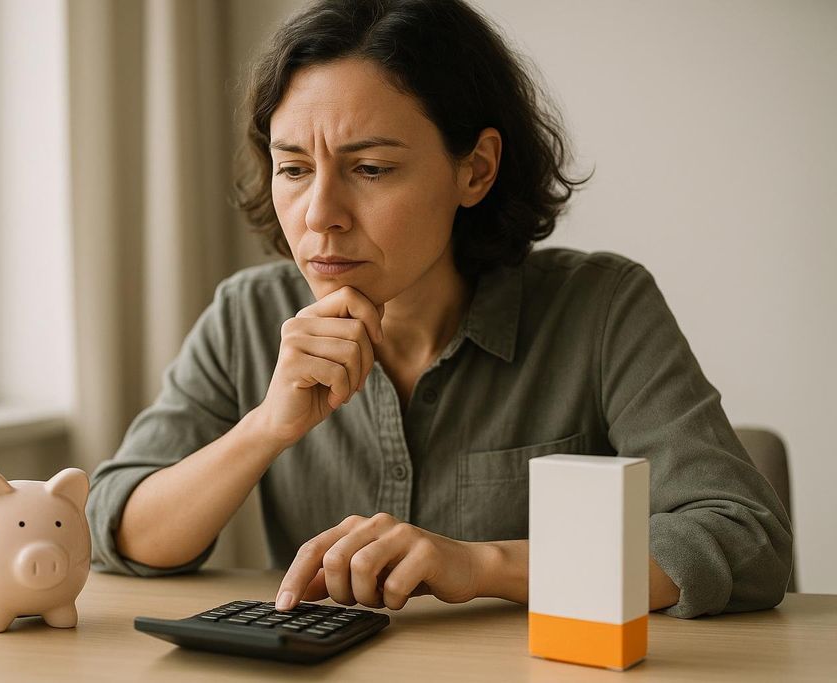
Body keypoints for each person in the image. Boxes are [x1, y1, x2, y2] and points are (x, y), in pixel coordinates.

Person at [86, 0, 792, 619]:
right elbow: (117, 530)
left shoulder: (602, 308)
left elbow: (745, 537)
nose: (320, 215)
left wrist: (481, 565)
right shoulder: (248, 314)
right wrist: (268, 426)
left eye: (370, 169)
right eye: (294, 168)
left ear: (476, 169)